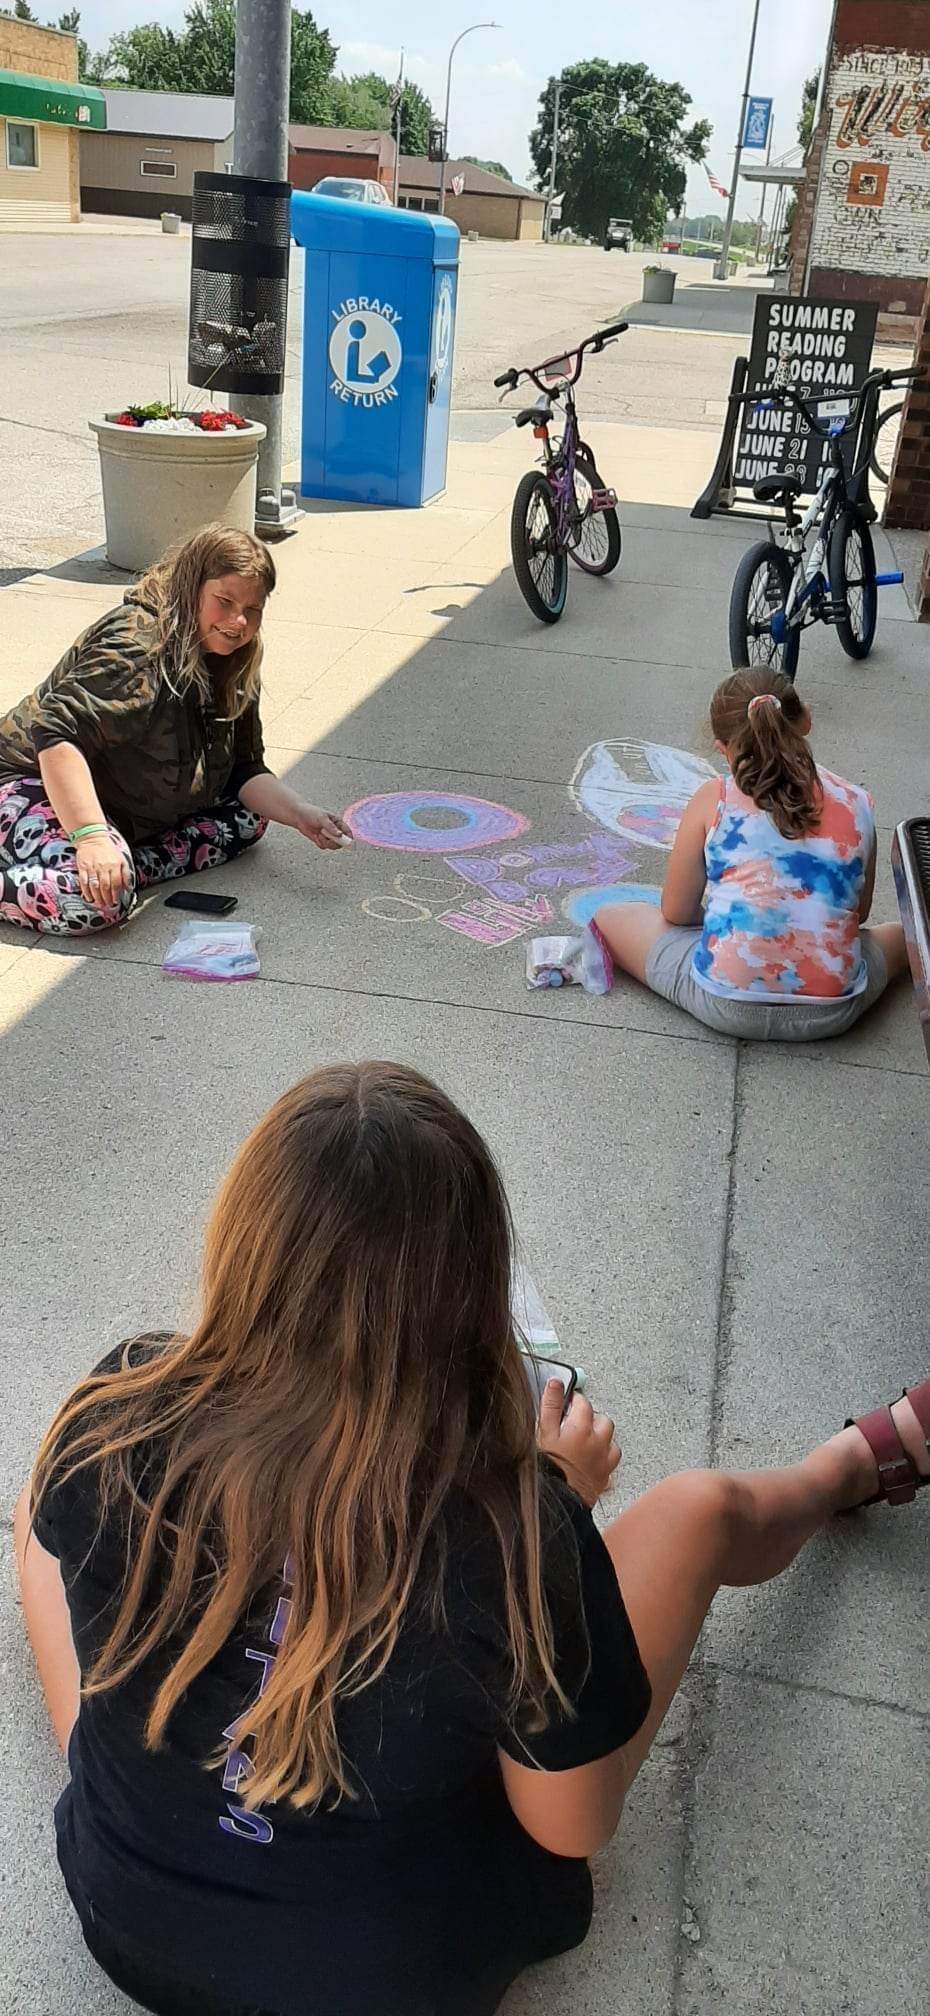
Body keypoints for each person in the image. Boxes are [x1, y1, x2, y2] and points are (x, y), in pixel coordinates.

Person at [15, 1063, 929, 2016]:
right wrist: (557, 1498)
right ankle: (842, 1474)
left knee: (56, 1496)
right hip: (387, 1988)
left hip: (126, 1918)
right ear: (472, 1294)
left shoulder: (121, 1411)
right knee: (696, 1510)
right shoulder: (512, 1534)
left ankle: (121, 1773)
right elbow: (572, 1827)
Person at [0, 524, 349, 936]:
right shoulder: (136, 645)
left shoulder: (233, 659)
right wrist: (91, 837)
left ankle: (118, 867)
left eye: (253, 609)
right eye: (225, 601)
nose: (239, 621)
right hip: (29, 783)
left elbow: (243, 768)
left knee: (247, 817)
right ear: (192, 587)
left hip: (124, 802)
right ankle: (105, 871)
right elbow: (56, 735)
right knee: (90, 902)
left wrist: (301, 815)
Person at [594, 667, 908, 1042]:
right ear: (805, 719)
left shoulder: (716, 797)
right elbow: (858, 915)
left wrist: (732, 918)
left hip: (724, 1002)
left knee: (610, 916)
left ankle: (732, 950)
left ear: (723, 748)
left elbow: (676, 911)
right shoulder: (857, 803)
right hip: (833, 1010)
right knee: (903, 935)